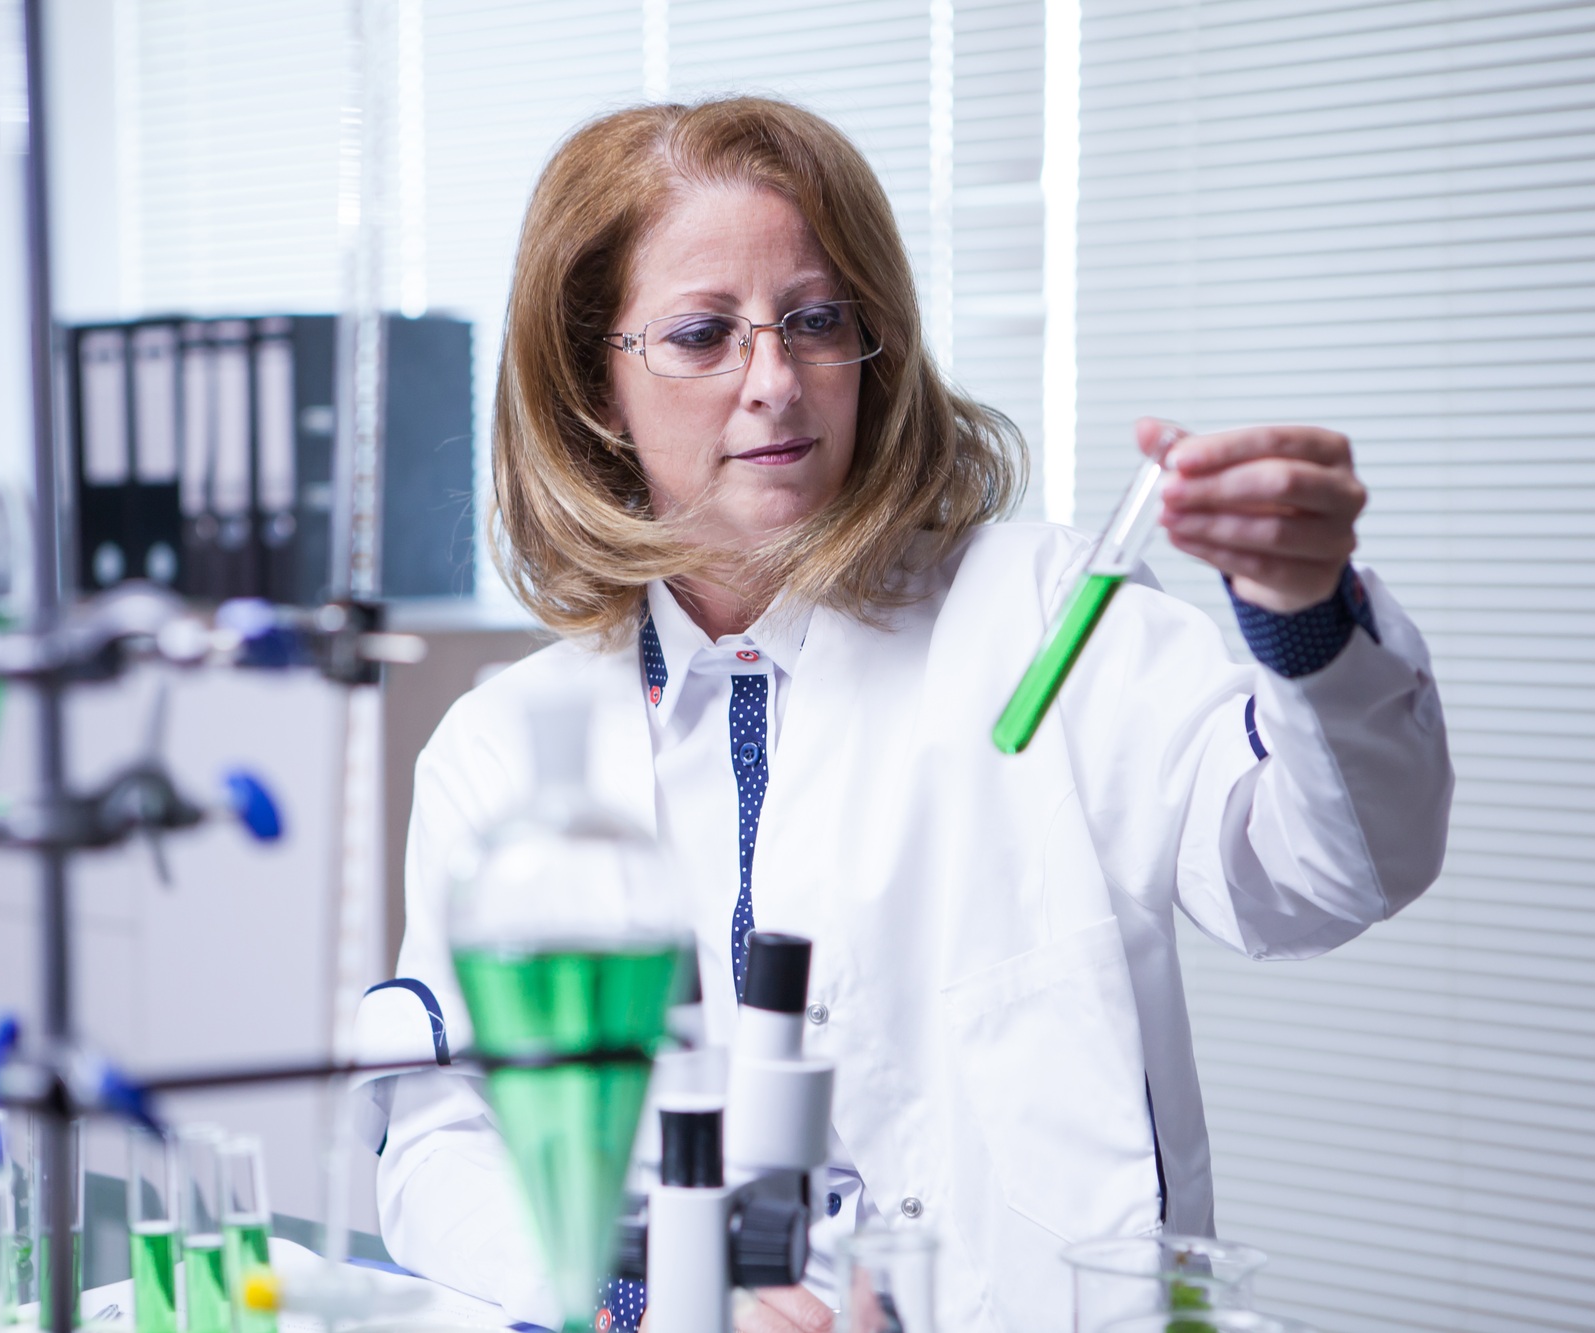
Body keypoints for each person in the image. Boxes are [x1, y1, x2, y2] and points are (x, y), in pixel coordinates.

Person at [375, 97, 1451, 1333]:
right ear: (592, 392)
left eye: (815, 320)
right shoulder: (508, 747)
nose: (772, 382)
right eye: (701, 334)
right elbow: (441, 1130)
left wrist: (1302, 616)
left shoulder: (1040, 617)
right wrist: (648, 1298)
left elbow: (1328, 873)